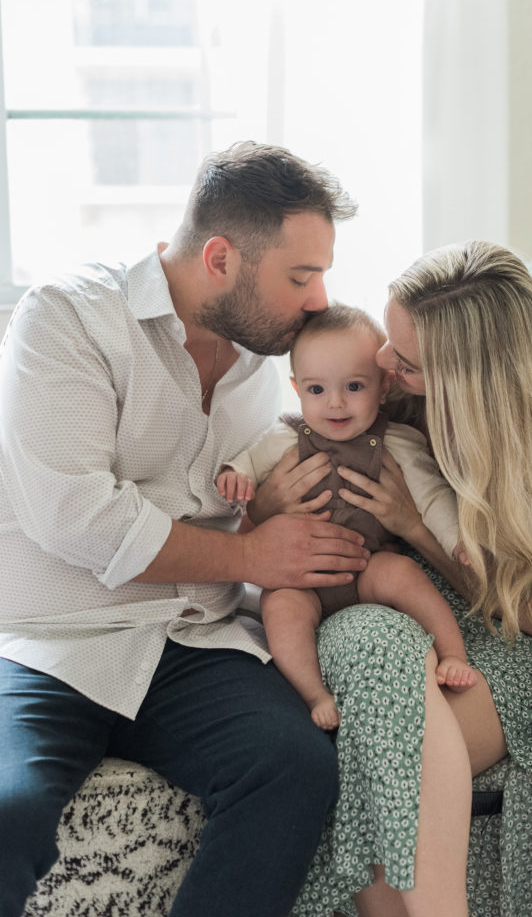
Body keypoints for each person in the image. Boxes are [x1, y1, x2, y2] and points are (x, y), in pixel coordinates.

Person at [0, 141, 374, 917]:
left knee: (296, 767)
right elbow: (74, 512)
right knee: (8, 806)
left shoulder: (263, 369)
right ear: (220, 257)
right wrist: (248, 552)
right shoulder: (66, 318)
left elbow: (247, 494)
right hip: (50, 640)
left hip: (193, 641)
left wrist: (276, 514)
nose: (318, 298)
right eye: (301, 276)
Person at [251, 242, 532, 917]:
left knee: (369, 723)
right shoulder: (386, 400)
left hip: (496, 639)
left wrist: (416, 528)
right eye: (390, 342)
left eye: (406, 361)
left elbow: (531, 616)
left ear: (465, 378)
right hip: (375, 604)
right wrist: (269, 503)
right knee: (364, 636)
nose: (383, 363)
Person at [216, 303, 476, 729]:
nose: (335, 404)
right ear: (297, 390)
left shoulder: (398, 441)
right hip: (302, 580)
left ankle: (453, 655)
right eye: (317, 390)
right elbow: (248, 461)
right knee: (279, 608)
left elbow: (431, 499)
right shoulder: (283, 436)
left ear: (384, 386)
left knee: (403, 573)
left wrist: (455, 540)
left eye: (354, 386)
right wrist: (235, 476)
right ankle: (315, 694)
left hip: (367, 566)